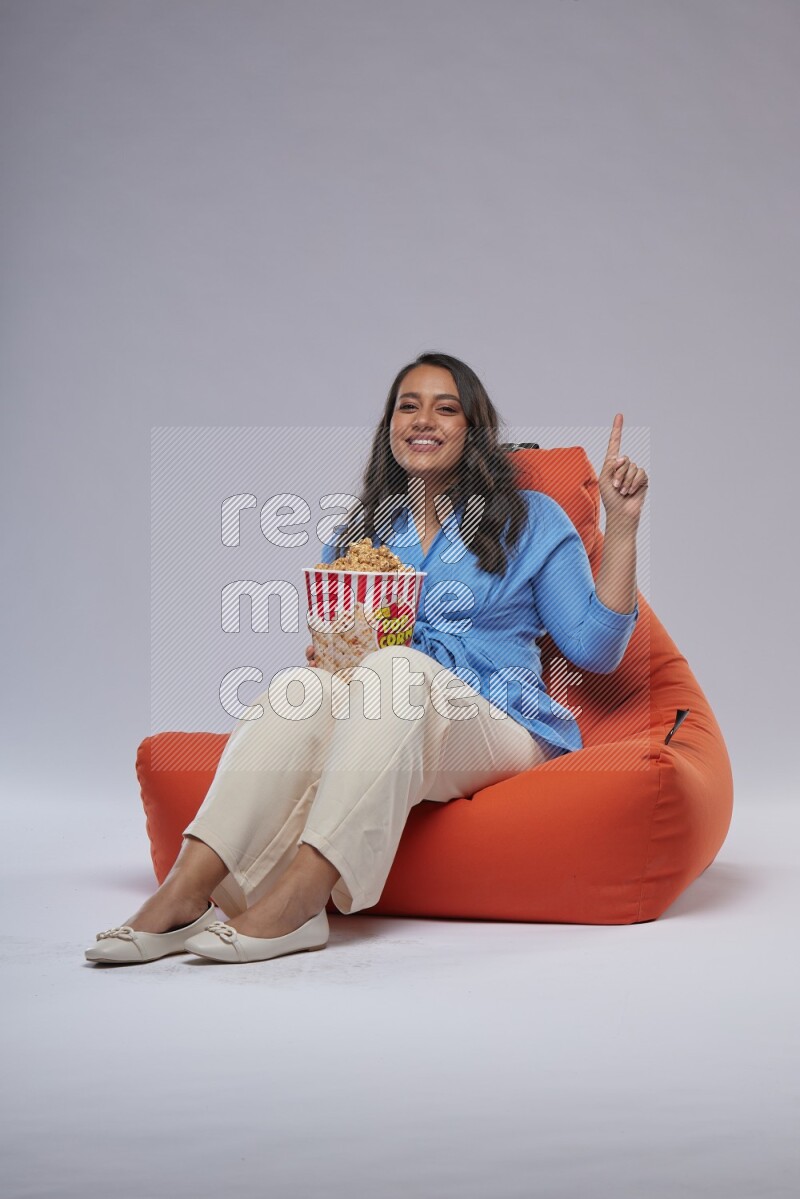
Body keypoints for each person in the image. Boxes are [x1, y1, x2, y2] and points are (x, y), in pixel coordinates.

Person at [85, 351, 648, 966]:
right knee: (305, 688)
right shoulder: (362, 534)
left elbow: (596, 649)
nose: (423, 419)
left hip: (500, 724)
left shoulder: (532, 519)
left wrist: (620, 528)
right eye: (408, 406)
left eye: (445, 408)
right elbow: (341, 659)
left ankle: (300, 900)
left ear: (474, 429)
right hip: (389, 721)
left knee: (395, 669)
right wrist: (331, 654)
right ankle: (185, 891)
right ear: (390, 427)